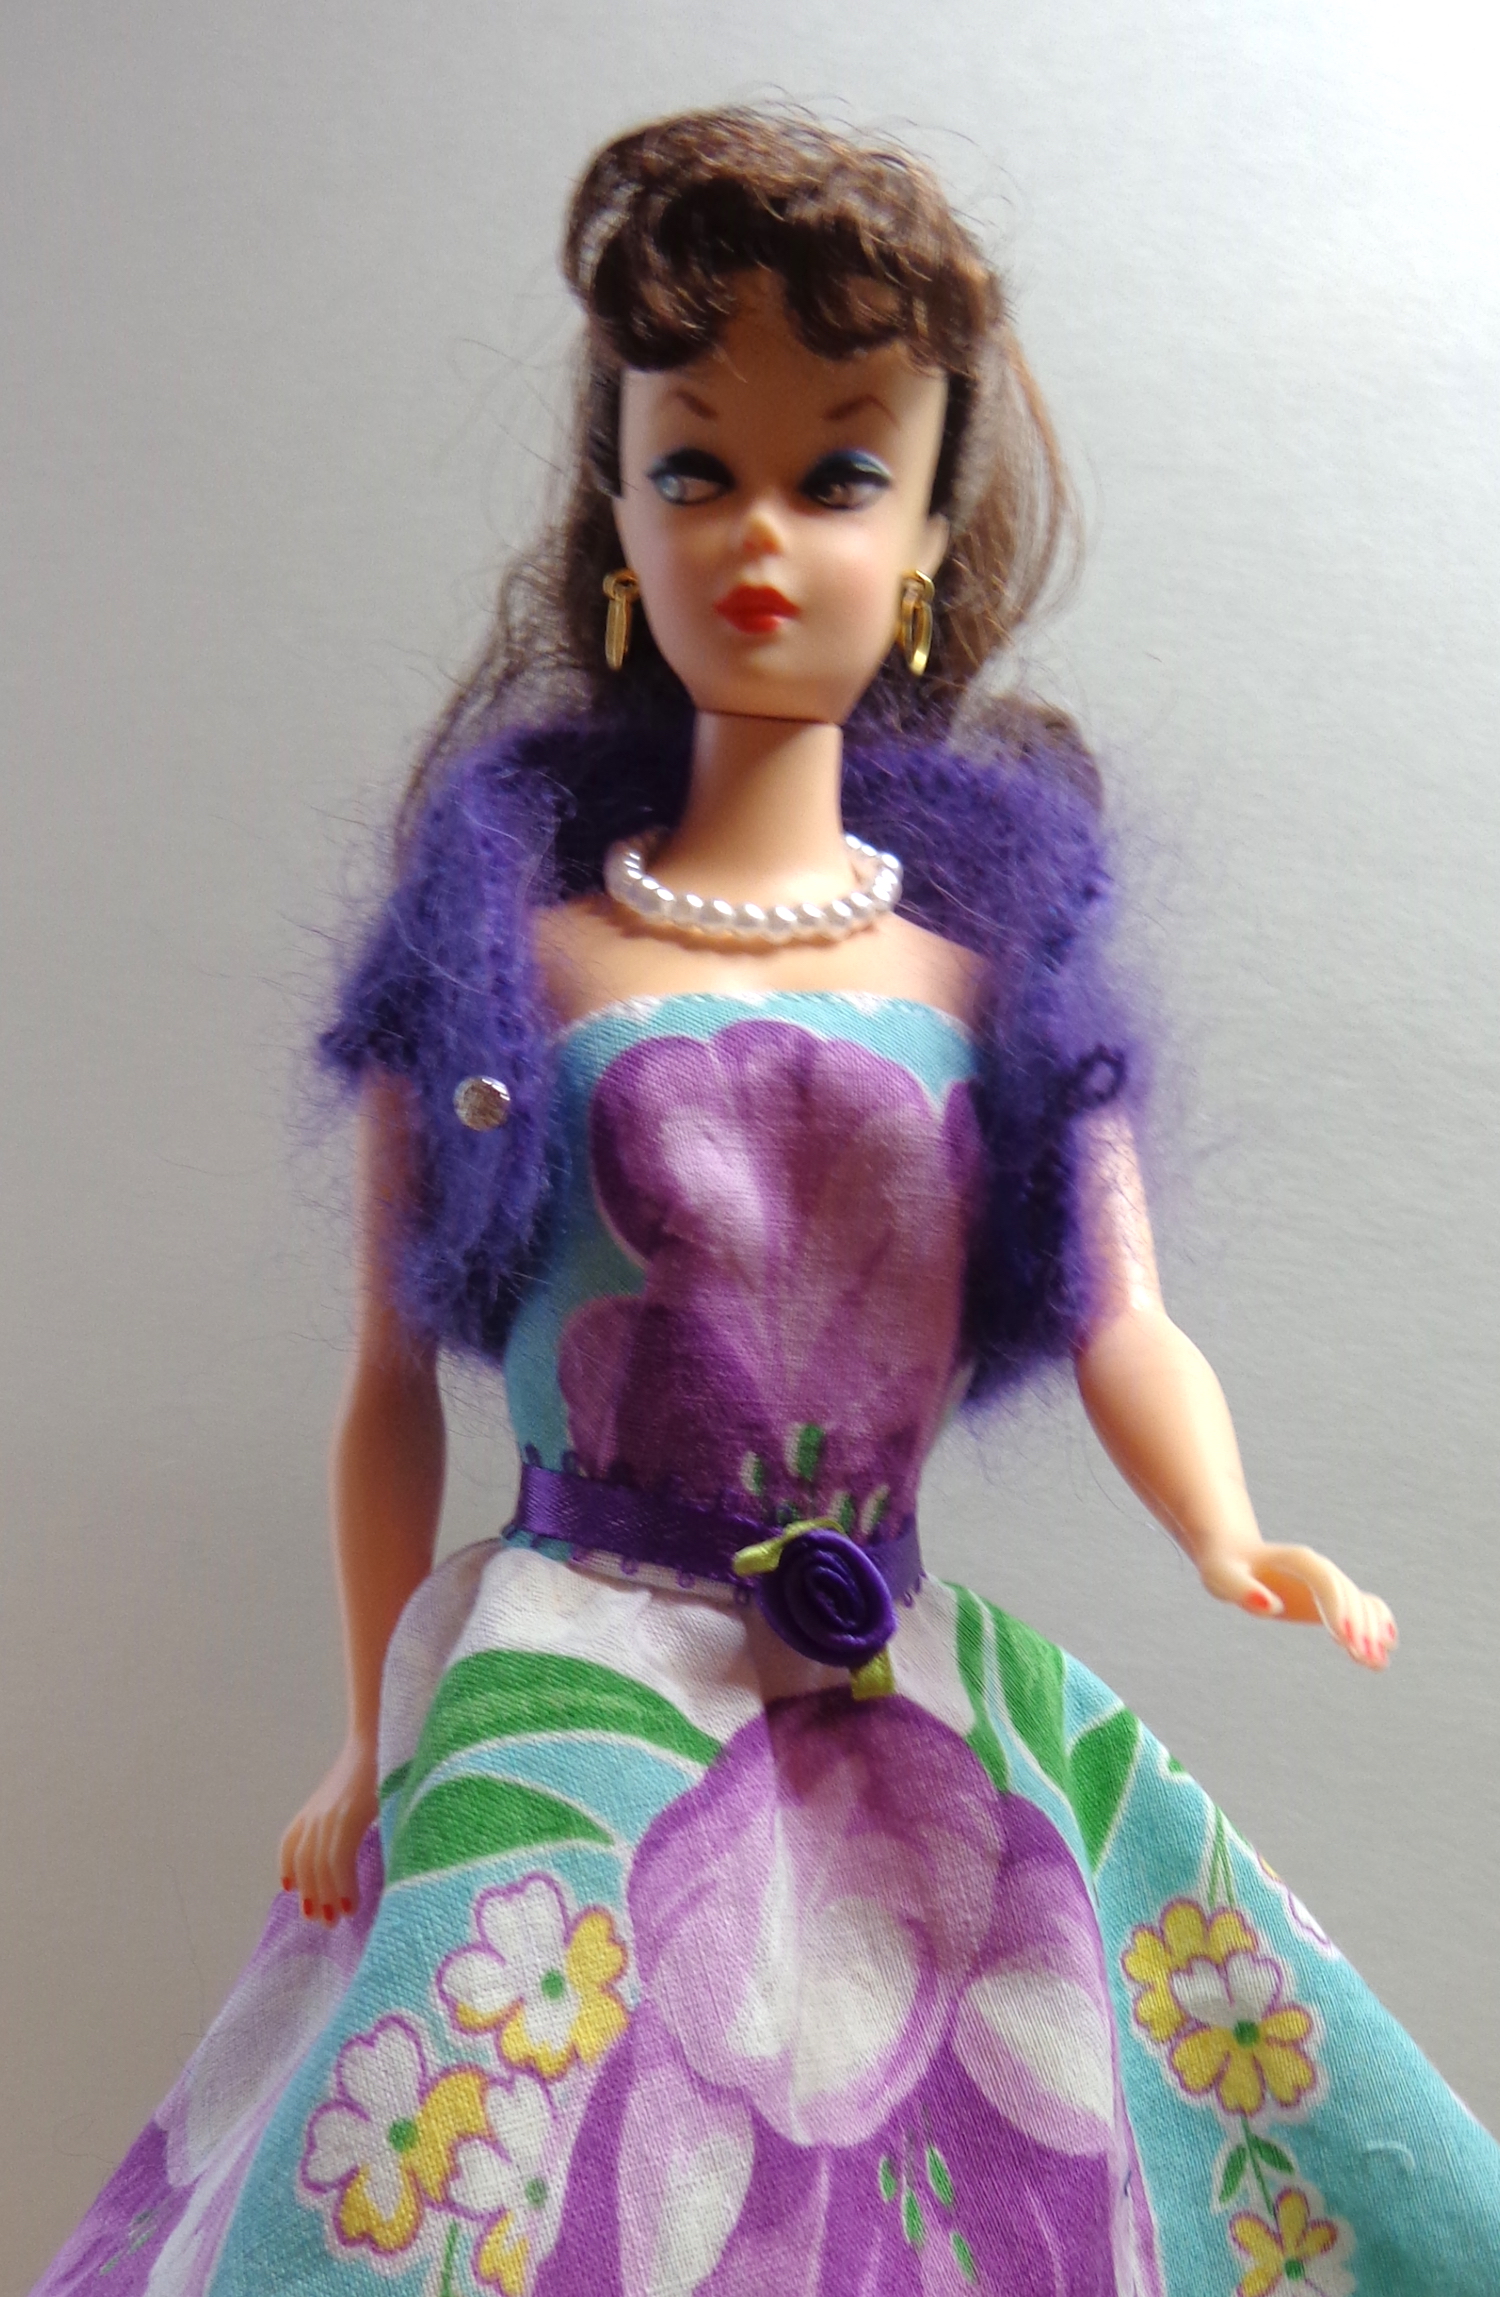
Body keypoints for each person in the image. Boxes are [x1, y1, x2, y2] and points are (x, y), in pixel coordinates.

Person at [33, 106, 1498, 2297]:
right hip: (572, 1683)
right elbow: (387, 1380)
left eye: (839, 475)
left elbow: (1125, 1316)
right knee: (465, 2180)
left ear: (927, 543)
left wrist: (1227, 1528)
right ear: (617, 514)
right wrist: (364, 1730)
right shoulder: (505, 959)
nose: (759, 534)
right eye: (696, 464)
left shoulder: (1000, 979)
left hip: (901, 1697)